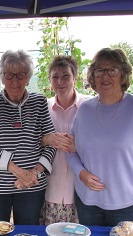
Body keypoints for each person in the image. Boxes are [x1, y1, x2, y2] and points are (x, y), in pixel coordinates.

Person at [66, 48, 133, 226]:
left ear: (123, 74)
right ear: (93, 77)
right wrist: (81, 173)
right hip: (88, 203)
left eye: (112, 70)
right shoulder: (84, 110)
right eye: (99, 71)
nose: (105, 76)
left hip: (129, 205)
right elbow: (70, 150)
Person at [0, 49, 56, 225]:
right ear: (2, 76)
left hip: (31, 185)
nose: (14, 80)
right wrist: (18, 172)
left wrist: (34, 173)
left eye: (20, 75)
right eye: (9, 75)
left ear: (28, 77)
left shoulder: (39, 102)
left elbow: (51, 142)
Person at [40, 55, 92, 225]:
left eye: (66, 76)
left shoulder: (90, 106)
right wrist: (47, 139)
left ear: (75, 78)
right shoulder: (43, 107)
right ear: (50, 80)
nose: (60, 81)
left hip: (82, 188)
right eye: (55, 77)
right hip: (50, 186)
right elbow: (30, 141)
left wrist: (80, 145)